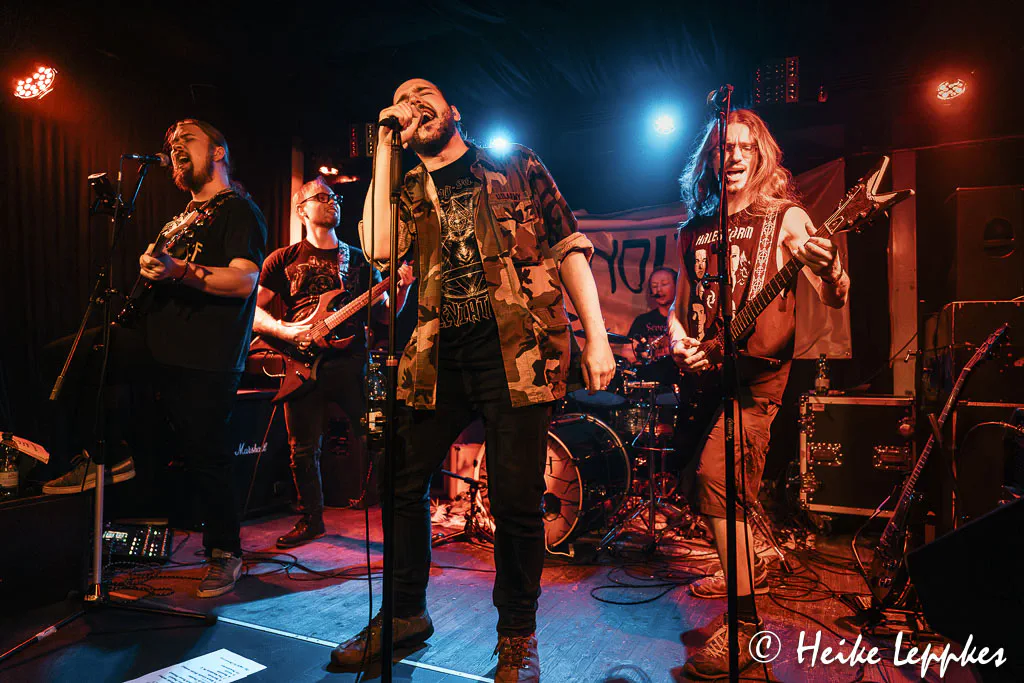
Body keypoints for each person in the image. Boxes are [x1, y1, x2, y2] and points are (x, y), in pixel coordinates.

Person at [331, 78, 616, 682]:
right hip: (436, 356)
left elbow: (568, 244)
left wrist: (597, 335)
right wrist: (385, 148)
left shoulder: (516, 163)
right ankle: (404, 614)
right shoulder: (406, 185)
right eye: (403, 97)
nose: (413, 102)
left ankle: (516, 637)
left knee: (516, 502)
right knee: (400, 480)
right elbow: (378, 247)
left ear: (453, 109)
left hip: (519, 351)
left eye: (424, 93)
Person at [668, 109, 849, 678]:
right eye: (723, 148)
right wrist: (679, 342)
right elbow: (678, 310)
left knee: (716, 479)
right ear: (709, 160)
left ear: (761, 155)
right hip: (707, 377)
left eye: (745, 147)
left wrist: (832, 269)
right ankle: (756, 556)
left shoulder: (784, 217)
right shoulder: (693, 230)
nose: (734, 156)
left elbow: (836, 293)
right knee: (705, 488)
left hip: (758, 379)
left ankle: (745, 627)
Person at [252, 177, 412, 549]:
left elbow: (385, 315)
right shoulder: (282, 259)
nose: (331, 202)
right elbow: (251, 311)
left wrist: (401, 288)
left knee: (379, 438)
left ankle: (397, 521)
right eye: (321, 197)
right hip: (301, 364)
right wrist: (285, 331)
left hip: (354, 363)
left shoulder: (358, 260)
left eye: (335, 197)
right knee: (302, 450)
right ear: (302, 210)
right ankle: (312, 520)